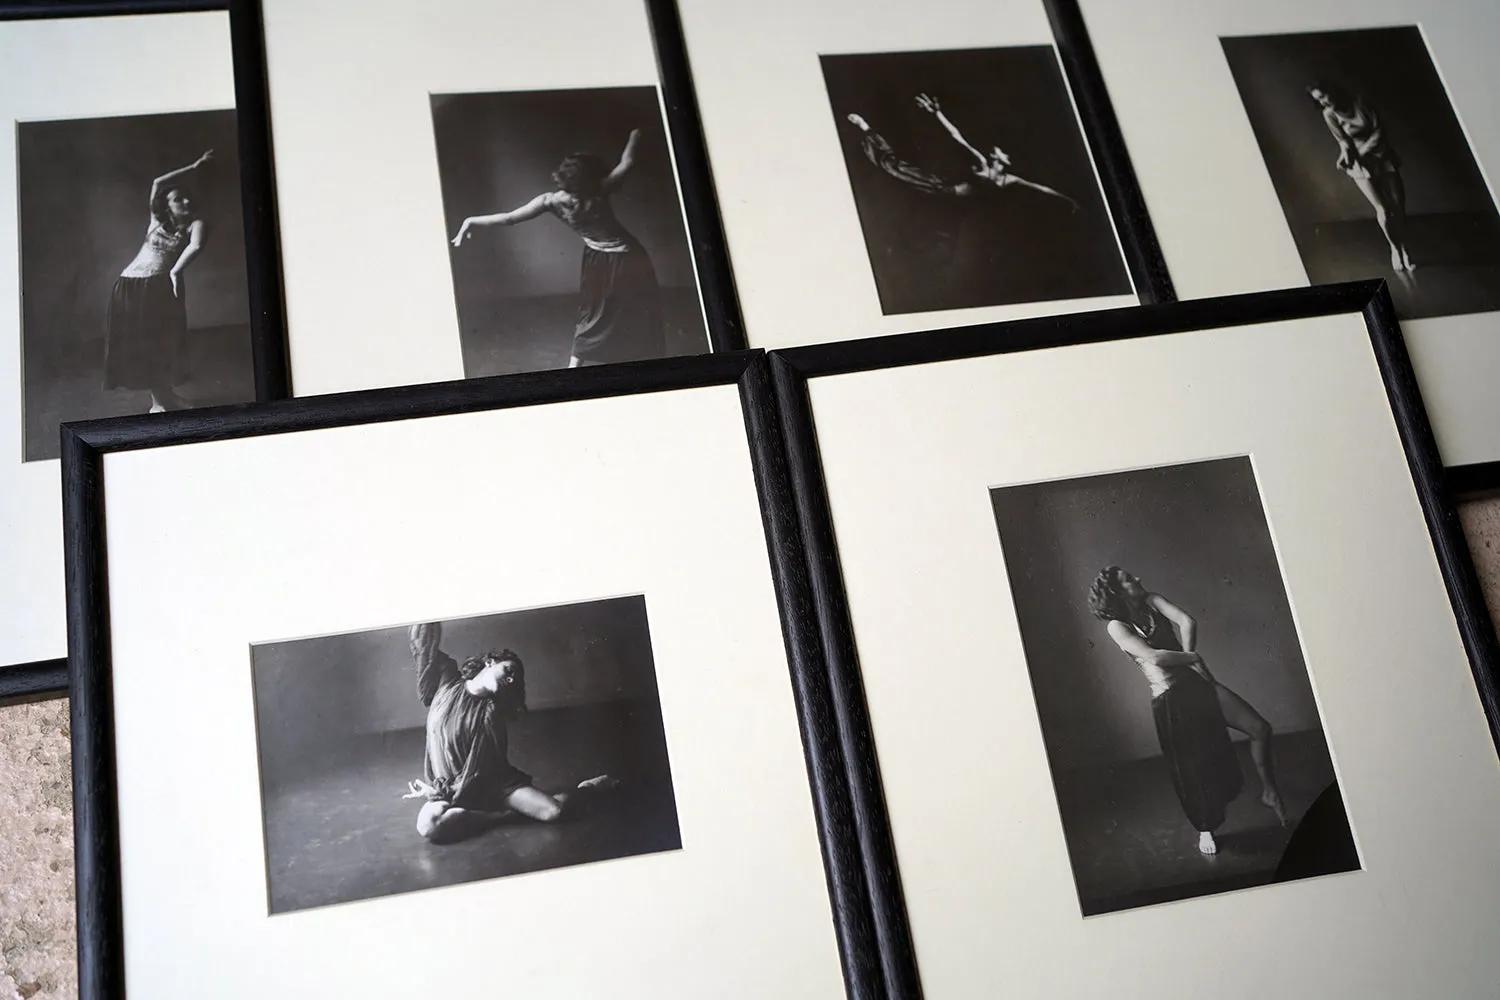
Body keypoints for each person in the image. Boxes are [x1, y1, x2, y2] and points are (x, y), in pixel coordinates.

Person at [1089, 566, 1288, 856]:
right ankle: (1205, 829)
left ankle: (1270, 792)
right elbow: (1154, 658)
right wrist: (1191, 656)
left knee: (1259, 728)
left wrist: (1188, 659)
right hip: (1170, 701)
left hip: (1197, 684)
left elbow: (1187, 621)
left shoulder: (1152, 600)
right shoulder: (1116, 626)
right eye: (1130, 579)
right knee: (1194, 771)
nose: (1138, 578)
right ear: (1118, 592)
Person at [450, 128, 665, 368]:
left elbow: (509, 218)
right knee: (623, 310)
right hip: (625, 257)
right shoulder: (600, 191)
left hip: (601, 258)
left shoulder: (551, 201)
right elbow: (628, 161)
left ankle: (577, 367)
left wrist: (470, 221)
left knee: (595, 313)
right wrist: (636, 135)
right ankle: (616, 365)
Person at [402, 622, 616, 845]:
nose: (511, 679)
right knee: (428, 825)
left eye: (515, 679)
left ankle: (588, 788)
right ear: (490, 662)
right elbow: (422, 645)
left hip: (491, 784)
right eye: (509, 670)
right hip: (454, 786)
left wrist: (439, 792)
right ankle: (502, 816)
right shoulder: (447, 680)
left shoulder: (489, 714)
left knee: (554, 811)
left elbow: (478, 770)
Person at [103, 150, 215, 413]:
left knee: (161, 342)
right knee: (146, 344)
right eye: (178, 199)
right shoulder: (155, 222)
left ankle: (165, 399)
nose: (185, 201)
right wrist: (195, 165)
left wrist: (175, 272)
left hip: (156, 286)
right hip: (128, 286)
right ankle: (161, 402)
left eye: (187, 198)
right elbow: (158, 183)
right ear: (167, 206)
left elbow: (196, 246)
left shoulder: (196, 224)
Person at [1307, 82, 1412, 274]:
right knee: (1383, 209)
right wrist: (1345, 156)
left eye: (1324, 96)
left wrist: (1362, 152)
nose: (1324, 102)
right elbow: (1343, 141)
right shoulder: (1328, 114)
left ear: (1332, 90)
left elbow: (1380, 130)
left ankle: (1406, 250)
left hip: (1382, 155)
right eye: (1319, 100)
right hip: (1361, 164)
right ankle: (1395, 249)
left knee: (1399, 208)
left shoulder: (1359, 102)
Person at [914, 93, 1079, 210]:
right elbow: (956, 136)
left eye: (1004, 152)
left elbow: (1041, 188)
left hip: (958, 209)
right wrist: (938, 113)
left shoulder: (1010, 179)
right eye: (1002, 151)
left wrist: (1067, 199)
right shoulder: (981, 162)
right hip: (942, 192)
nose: (1004, 152)